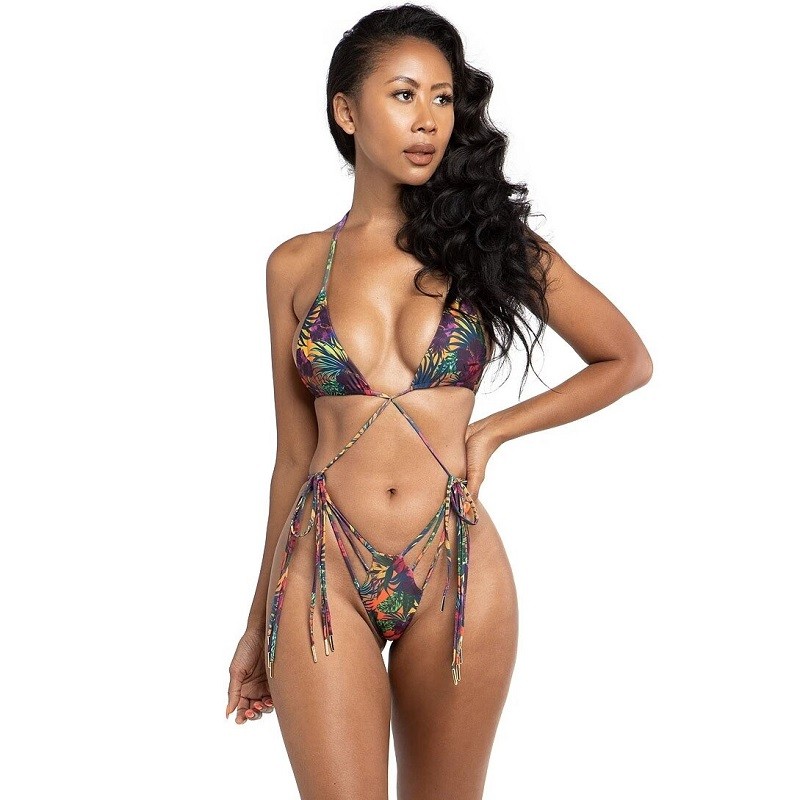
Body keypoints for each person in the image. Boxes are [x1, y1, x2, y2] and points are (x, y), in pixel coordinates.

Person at [226, 4, 652, 797]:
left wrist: (490, 433)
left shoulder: (489, 244)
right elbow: (291, 459)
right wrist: (255, 624)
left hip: (455, 568)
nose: (428, 119)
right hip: (322, 572)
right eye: (403, 95)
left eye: (443, 98)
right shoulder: (295, 265)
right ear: (346, 111)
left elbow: (625, 360)